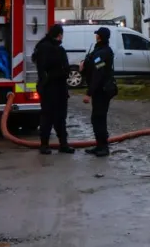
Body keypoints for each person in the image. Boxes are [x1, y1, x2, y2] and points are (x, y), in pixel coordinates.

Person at [32, 24, 75, 155]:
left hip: (46, 88)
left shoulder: (41, 47)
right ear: (59, 35)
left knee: (47, 117)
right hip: (57, 88)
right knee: (59, 117)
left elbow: (41, 69)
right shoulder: (57, 50)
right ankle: (63, 144)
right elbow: (65, 70)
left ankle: (45, 145)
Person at [82, 26, 116, 157]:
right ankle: (99, 145)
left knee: (99, 118)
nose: (95, 36)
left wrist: (88, 93)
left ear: (100, 37)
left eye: (97, 35)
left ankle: (103, 147)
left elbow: (98, 73)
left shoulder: (103, 52)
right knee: (97, 118)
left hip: (102, 90)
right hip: (101, 90)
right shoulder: (100, 50)